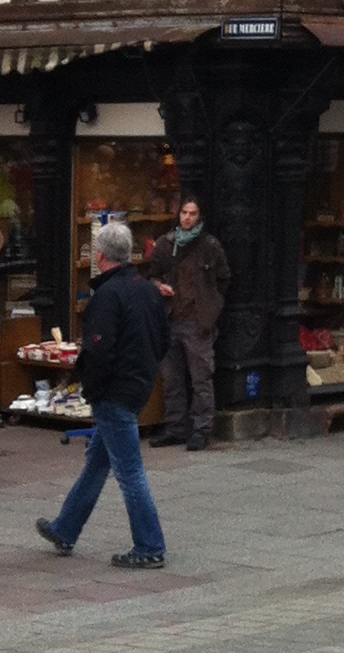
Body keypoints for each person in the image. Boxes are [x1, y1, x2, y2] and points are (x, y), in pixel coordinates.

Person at [36, 221, 170, 569]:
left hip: (114, 391)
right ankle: (65, 528)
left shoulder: (107, 297)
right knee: (98, 461)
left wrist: (91, 389)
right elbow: (163, 339)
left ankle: (150, 545)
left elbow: (98, 351)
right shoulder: (148, 291)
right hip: (138, 385)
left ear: (99, 256)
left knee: (129, 471)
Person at [146, 196, 231, 451]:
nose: (187, 218)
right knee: (171, 379)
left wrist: (211, 308)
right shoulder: (165, 244)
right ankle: (176, 427)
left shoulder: (209, 246)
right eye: (184, 212)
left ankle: (201, 429)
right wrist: (158, 287)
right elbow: (152, 275)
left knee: (200, 378)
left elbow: (224, 278)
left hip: (197, 321)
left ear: (199, 217)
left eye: (192, 214)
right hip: (171, 318)